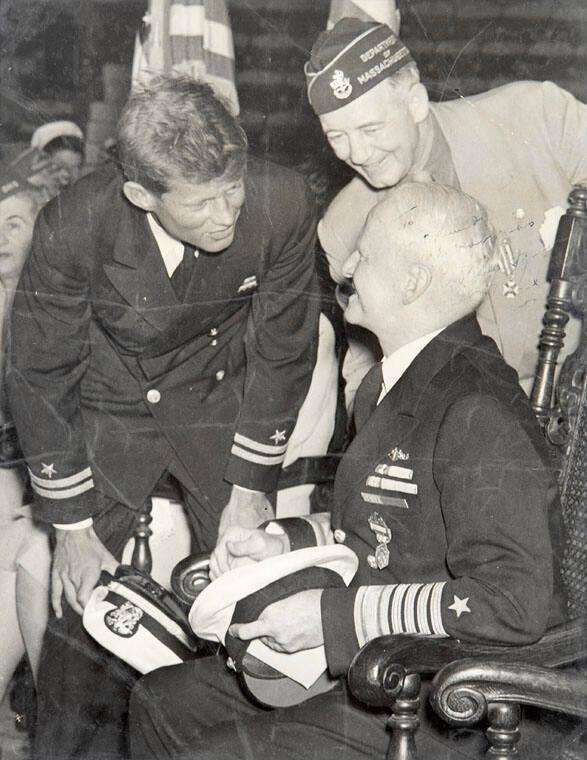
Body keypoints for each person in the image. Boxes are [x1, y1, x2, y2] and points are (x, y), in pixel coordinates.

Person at [130, 182, 566, 760]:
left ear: (412, 283)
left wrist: (331, 618)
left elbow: (513, 601)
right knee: (162, 700)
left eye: (366, 253)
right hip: (382, 666)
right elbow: (382, 527)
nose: (349, 265)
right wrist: (280, 539)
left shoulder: (475, 408)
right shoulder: (395, 384)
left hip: (447, 696)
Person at [8, 74, 320, 759]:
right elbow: (39, 372)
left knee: (252, 591)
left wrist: (248, 490)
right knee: (79, 607)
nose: (226, 215)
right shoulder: (73, 222)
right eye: (202, 202)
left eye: (232, 187)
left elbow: (284, 349)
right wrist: (72, 525)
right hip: (108, 402)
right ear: (141, 195)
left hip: (215, 397)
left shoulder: (282, 201)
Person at [306, 17, 587, 405]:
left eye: (370, 129)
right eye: (337, 137)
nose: (357, 154)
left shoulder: (536, 116)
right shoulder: (343, 229)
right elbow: (366, 372)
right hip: (480, 428)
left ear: (415, 102)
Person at [0, 158, 51, 705]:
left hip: (43, 478)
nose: (0, 238)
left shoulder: (56, 302)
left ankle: (48, 707)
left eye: (14, 223)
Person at [30, 120, 84, 191]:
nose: (66, 175)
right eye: (58, 167)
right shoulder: (20, 199)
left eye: (74, 169)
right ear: (39, 163)